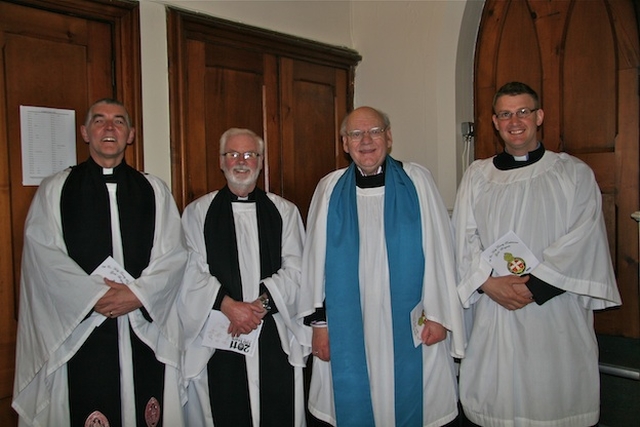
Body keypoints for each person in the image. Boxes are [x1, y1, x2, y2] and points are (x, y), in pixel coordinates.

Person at [452, 81, 622, 427]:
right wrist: (487, 283)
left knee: (553, 393)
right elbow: (462, 238)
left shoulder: (572, 173)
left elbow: (584, 236)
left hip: (554, 309)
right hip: (496, 307)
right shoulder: (478, 176)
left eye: (523, 112)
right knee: (498, 397)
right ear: (495, 122)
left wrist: (536, 287)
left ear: (539, 116)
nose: (515, 121)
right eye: (505, 114)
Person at [12, 99, 187, 426]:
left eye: (119, 121)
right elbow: (43, 258)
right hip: (80, 331)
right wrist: (94, 297)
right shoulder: (56, 189)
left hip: (142, 328)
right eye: (100, 121)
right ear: (85, 133)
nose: (109, 128)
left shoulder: (154, 190)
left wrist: (138, 295)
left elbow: (174, 255)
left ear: (130, 134)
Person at [299, 106, 465, 426]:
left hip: (412, 323)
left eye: (374, 131)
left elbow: (441, 254)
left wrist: (440, 316)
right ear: (344, 144)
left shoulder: (417, 181)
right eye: (356, 134)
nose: (366, 141)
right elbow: (313, 264)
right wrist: (320, 326)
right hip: (349, 324)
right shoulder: (329, 189)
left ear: (389, 137)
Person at [179, 128, 309, 426]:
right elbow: (189, 272)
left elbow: (298, 270)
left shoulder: (284, 212)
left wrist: (259, 307)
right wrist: (229, 307)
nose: (241, 161)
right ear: (221, 162)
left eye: (250, 154)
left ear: (261, 162)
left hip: (273, 333)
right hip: (218, 333)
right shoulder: (198, 213)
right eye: (233, 154)